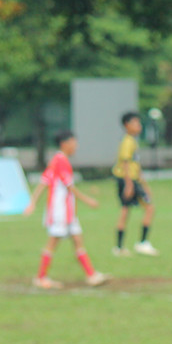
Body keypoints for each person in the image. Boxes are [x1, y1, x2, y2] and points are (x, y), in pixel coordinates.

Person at [23, 130, 110, 288]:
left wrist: (33, 202)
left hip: (68, 211)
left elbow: (44, 181)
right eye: (73, 142)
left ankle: (91, 275)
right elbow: (69, 187)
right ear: (65, 143)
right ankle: (41, 277)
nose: (75, 146)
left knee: (77, 240)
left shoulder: (57, 160)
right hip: (60, 211)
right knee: (53, 242)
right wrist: (88, 200)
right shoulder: (61, 161)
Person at [111, 112, 158, 256]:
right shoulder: (127, 141)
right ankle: (142, 243)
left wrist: (143, 183)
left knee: (126, 211)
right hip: (128, 181)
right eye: (135, 123)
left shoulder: (132, 141)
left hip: (131, 180)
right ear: (127, 125)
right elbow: (125, 163)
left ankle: (119, 247)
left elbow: (135, 165)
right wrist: (129, 184)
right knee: (149, 208)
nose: (139, 126)